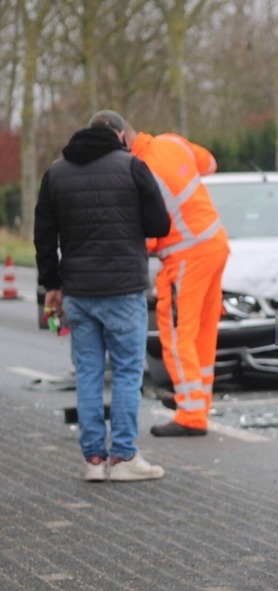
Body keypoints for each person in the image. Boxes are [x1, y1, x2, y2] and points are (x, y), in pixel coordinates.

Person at [34, 110, 170, 481]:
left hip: (77, 291)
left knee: (89, 374)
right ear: (120, 134)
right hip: (123, 290)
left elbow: (44, 236)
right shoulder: (132, 167)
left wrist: (52, 286)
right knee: (127, 373)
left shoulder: (56, 172)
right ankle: (124, 458)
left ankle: (93, 460)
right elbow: (160, 224)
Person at [120, 117, 230, 437]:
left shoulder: (139, 173)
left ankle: (191, 416)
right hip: (215, 244)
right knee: (203, 331)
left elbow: (152, 235)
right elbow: (209, 163)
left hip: (185, 256)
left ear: (123, 142)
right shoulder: (172, 141)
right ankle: (196, 400)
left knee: (178, 335)